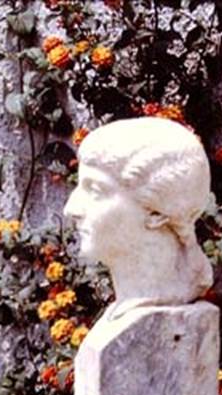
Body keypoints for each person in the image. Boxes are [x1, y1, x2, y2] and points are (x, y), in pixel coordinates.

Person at [63, 117, 213, 321]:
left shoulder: (157, 322)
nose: (71, 209)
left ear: (156, 213)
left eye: (96, 191)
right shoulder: (125, 313)